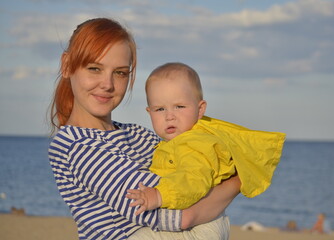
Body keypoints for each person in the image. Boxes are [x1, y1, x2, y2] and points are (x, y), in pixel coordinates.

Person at [48, 18, 241, 240]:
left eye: (120, 72)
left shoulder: (135, 134)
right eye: (94, 69)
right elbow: (180, 215)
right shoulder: (76, 145)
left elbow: (192, 163)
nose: (107, 84)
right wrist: (237, 181)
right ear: (66, 65)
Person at [126, 62, 285, 214]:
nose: (169, 116)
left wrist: (159, 195)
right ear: (149, 112)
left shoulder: (196, 143)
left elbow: (193, 178)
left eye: (179, 106)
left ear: (200, 109)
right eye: (160, 109)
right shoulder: (176, 142)